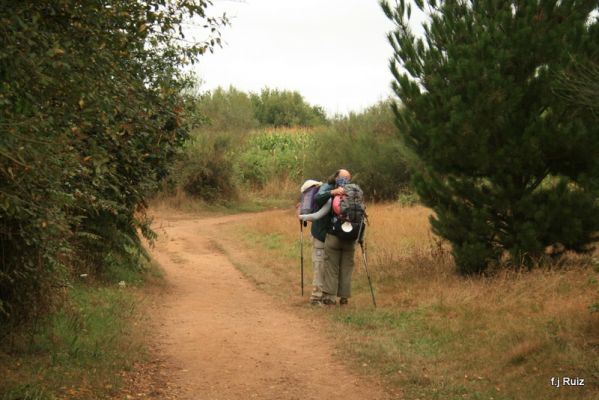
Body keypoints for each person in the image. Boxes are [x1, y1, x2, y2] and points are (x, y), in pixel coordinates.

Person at [314, 169, 356, 306]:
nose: (345, 181)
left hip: (333, 235)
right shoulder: (354, 192)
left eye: (347, 178)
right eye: (344, 178)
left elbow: (318, 199)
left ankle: (329, 298)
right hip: (351, 236)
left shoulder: (334, 189)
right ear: (337, 177)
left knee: (331, 267)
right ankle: (344, 299)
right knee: (346, 268)